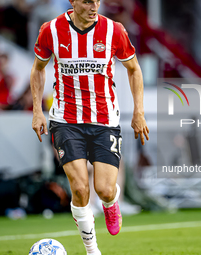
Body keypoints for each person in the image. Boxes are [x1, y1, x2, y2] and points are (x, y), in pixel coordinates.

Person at [30, 1, 149, 254]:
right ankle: (92, 250)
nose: (94, 6)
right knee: (80, 188)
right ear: (73, 1)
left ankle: (111, 201)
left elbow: (134, 69)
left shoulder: (114, 30)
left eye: (97, 0)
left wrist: (139, 111)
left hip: (104, 121)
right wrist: (37, 111)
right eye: (87, 1)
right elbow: (38, 69)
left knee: (104, 189)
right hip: (65, 121)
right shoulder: (50, 30)